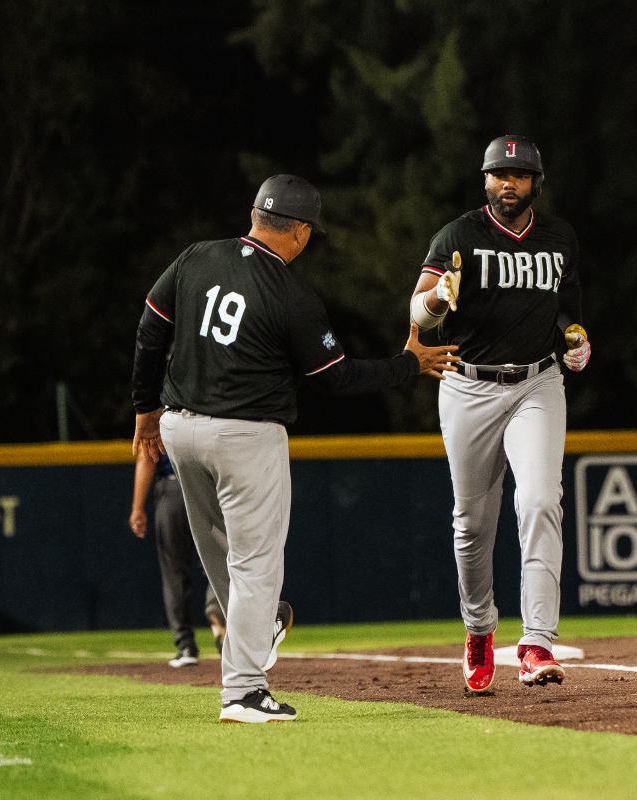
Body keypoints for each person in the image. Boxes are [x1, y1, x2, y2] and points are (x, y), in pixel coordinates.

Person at [132, 174, 460, 723]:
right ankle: (242, 691)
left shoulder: (197, 257)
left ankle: (266, 622)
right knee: (256, 564)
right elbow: (336, 378)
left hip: (181, 430)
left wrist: (145, 408)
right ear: (302, 232)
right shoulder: (291, 294)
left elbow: (149, 329)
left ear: (256, 214)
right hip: (244, 436)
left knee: (222, 556)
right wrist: (409, 364)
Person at [409, 135, 589, 694]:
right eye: (497, 174)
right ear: (484, 180)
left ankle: (536, 642)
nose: (507, 183)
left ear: (537, 181)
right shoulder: (458, 235)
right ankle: (480, 630)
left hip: (537, 382)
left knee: (539, 500)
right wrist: (439, 299)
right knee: (472, 524)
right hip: (468, 388)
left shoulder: (559, 238)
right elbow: (417, 314)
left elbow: (567, 312)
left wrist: (576, 338)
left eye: (518, 175)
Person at [129, 450, 227, 666]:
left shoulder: (160, 416)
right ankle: (216, 605)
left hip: (171, 491)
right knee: (220, 560)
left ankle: (186, 647)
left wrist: (137, 508)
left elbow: (147, 456)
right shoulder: (208, 414)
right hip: (207, 488)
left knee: (174, 570)